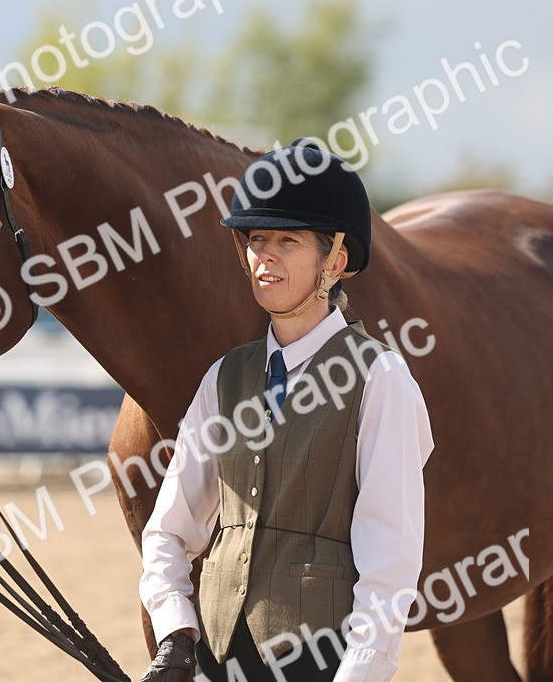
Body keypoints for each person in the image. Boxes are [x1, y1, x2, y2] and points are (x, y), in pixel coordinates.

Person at [139, 143, 434, 682]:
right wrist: (176, 632)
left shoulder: (381, 379)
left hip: (319, 663)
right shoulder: (223, 378)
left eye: (287, 241)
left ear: (336, 261)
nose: (264, 256)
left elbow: (389, 562)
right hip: (217, 659)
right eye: (256, 241)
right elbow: (169, 530)